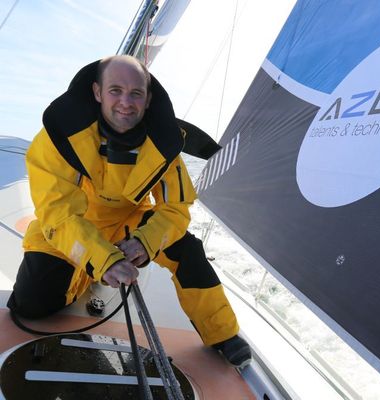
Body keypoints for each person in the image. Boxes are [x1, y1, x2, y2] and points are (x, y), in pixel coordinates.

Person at [7, 55, 252, 368]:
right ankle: (85, 276)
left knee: (188, 248)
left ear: (148, 100)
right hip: (70, 226)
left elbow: (175, 208)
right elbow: (58, 214)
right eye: (115, 90)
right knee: (32, 305)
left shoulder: (163, 143)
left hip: (127, 224)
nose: (126, 102)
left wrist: (145, 241)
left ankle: (222, 332)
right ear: (97, 92)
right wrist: (103, 260)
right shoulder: (57, 137)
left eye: (136, 93)